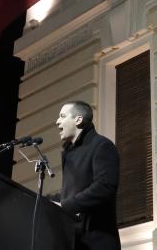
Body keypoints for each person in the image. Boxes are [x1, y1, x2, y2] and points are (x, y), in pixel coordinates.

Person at [56, 101, 121, 250]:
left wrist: (66, 206)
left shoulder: (102, 146)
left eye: (62, 116)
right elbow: (74, 192)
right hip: (75, 240)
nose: (57, 121)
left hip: (97, 242)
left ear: (78, 120)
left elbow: (105, 187)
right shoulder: (69, 152)